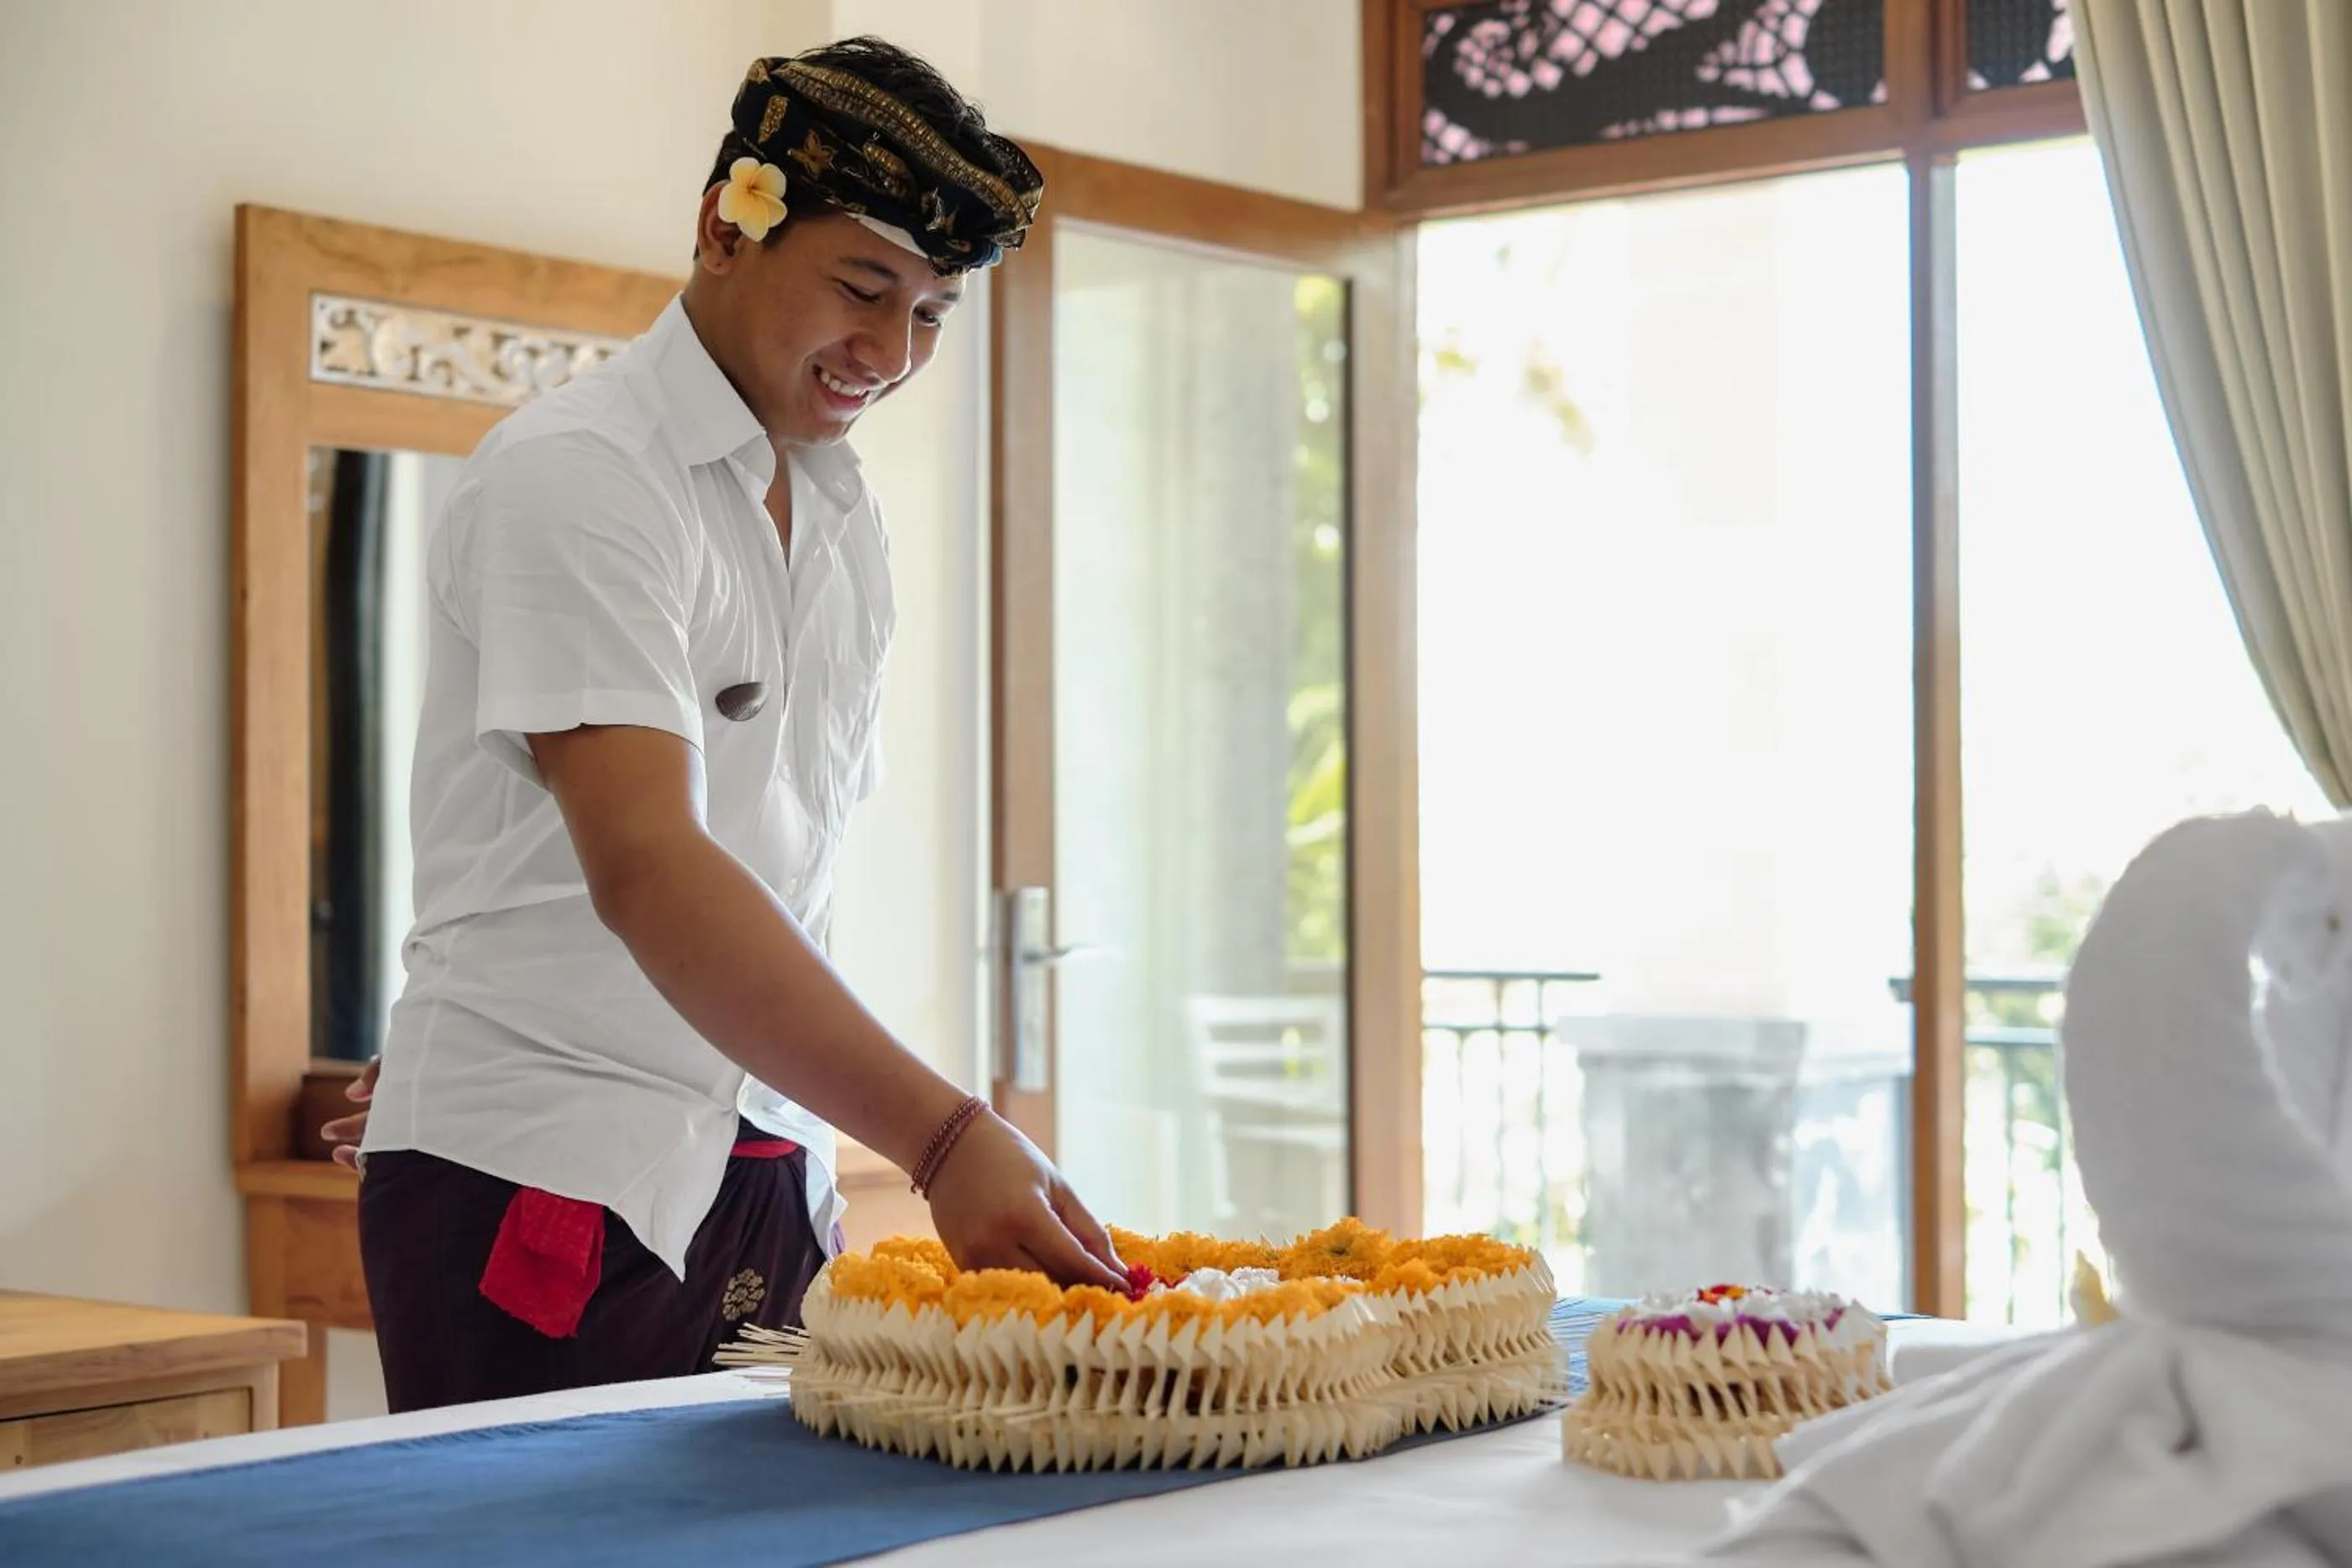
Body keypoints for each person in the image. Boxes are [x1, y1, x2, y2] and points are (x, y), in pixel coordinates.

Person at [327, 37, 1126, 1413]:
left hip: (762, 1160)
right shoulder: (583, 476)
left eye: (932, 313)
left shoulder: (838, 508)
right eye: (864, 287)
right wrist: (941, 1138)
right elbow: (650, 865)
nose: (889, 352)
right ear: (726, 225)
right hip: (556, 1168)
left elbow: (777, 868)